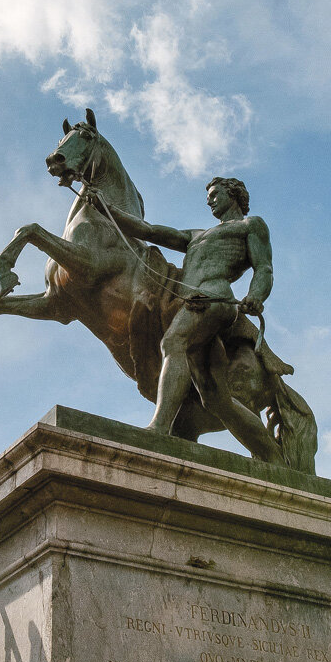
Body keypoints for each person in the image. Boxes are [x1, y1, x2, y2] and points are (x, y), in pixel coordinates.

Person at [85, 177, 285, 464]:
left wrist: (256, 295)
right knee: (216, 400)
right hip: (192, 303)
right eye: (208, 196)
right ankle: (273, 457)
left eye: (215, 194)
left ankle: (159, 429)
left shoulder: (250, 225)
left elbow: (264, 268)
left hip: (214, 299)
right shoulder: (196, 235)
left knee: (172, 342)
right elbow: (149, 230)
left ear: (233, 194)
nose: (209, 200)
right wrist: (107, 209)